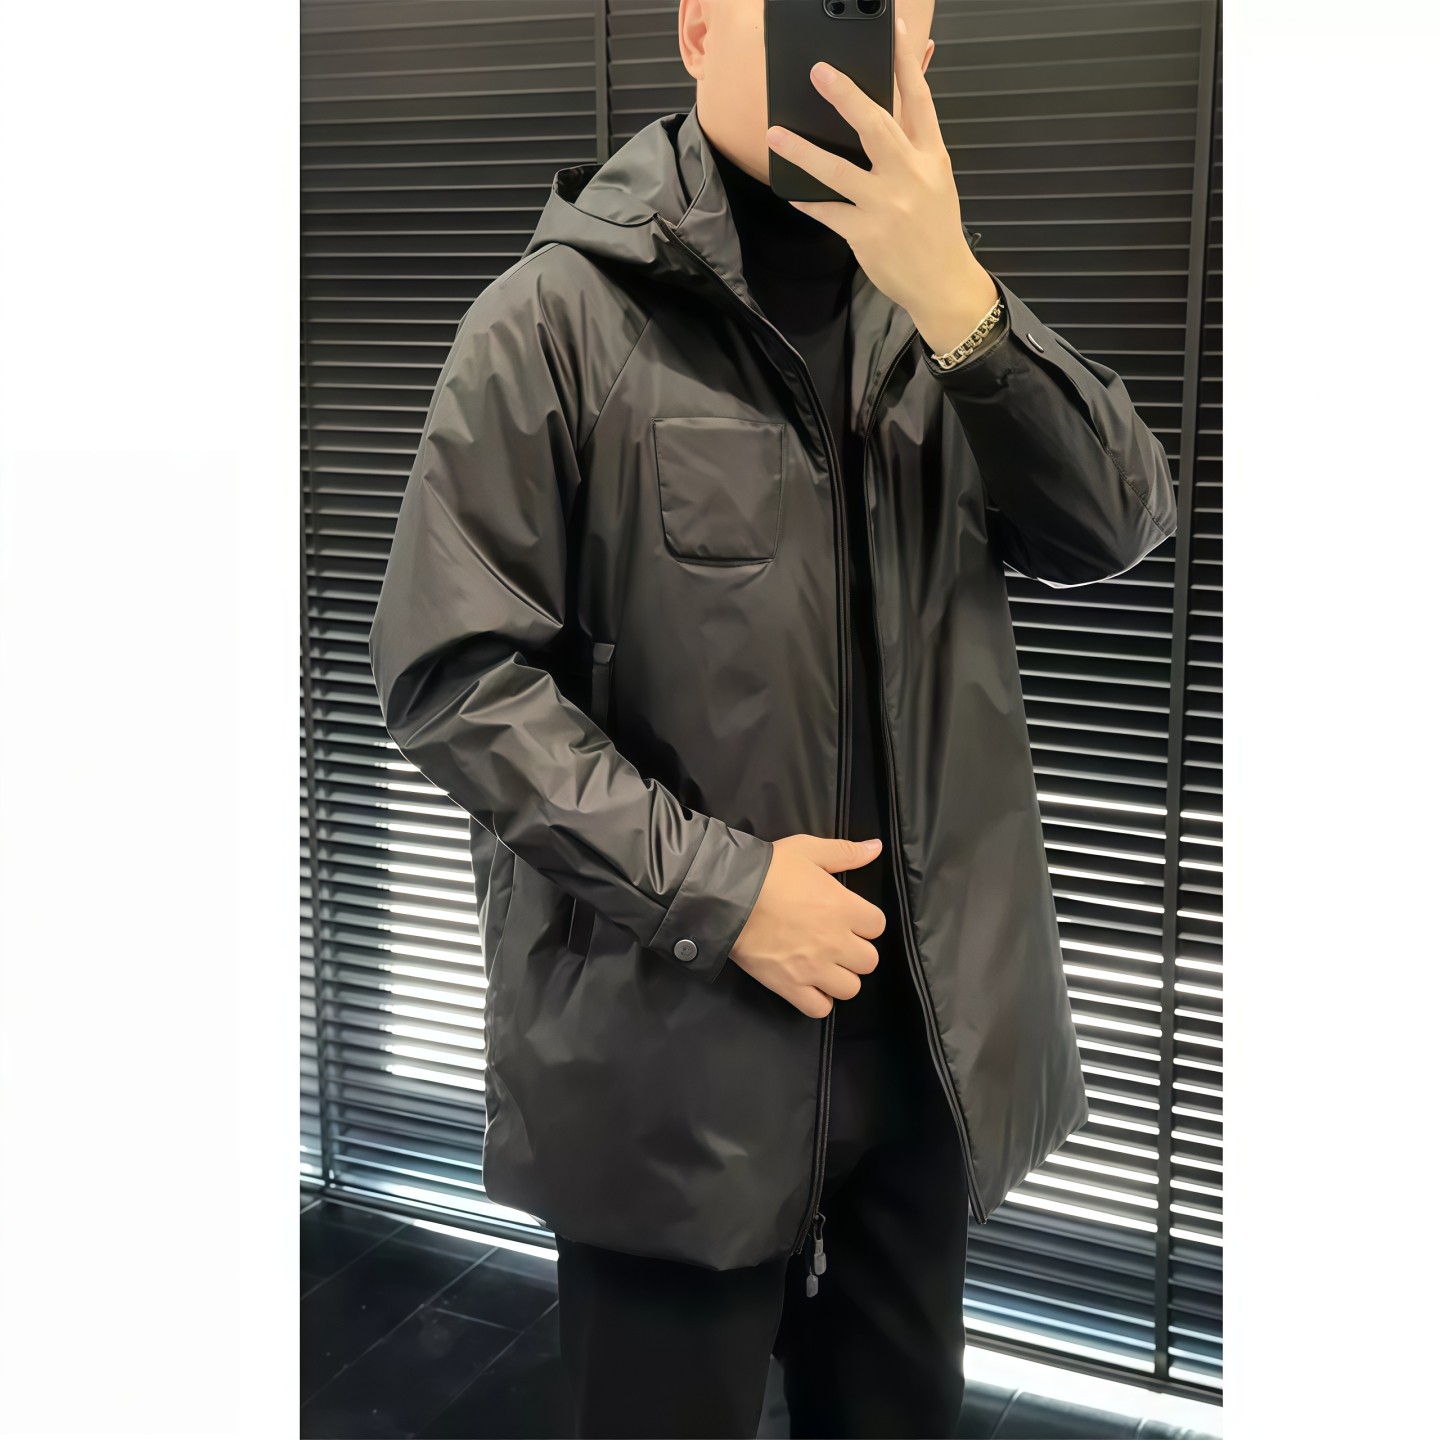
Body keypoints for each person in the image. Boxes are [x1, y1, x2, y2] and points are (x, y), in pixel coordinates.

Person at [367, 1, 1177, 1435]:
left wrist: (963, 301)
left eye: (894, 16)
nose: (858, 46)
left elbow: (1117, 522)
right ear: (695, 32)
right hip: (669, 1072)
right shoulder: (556, 320)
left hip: (921, 1068)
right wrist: (724, 892)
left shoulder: (940, 315)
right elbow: (452, 671)